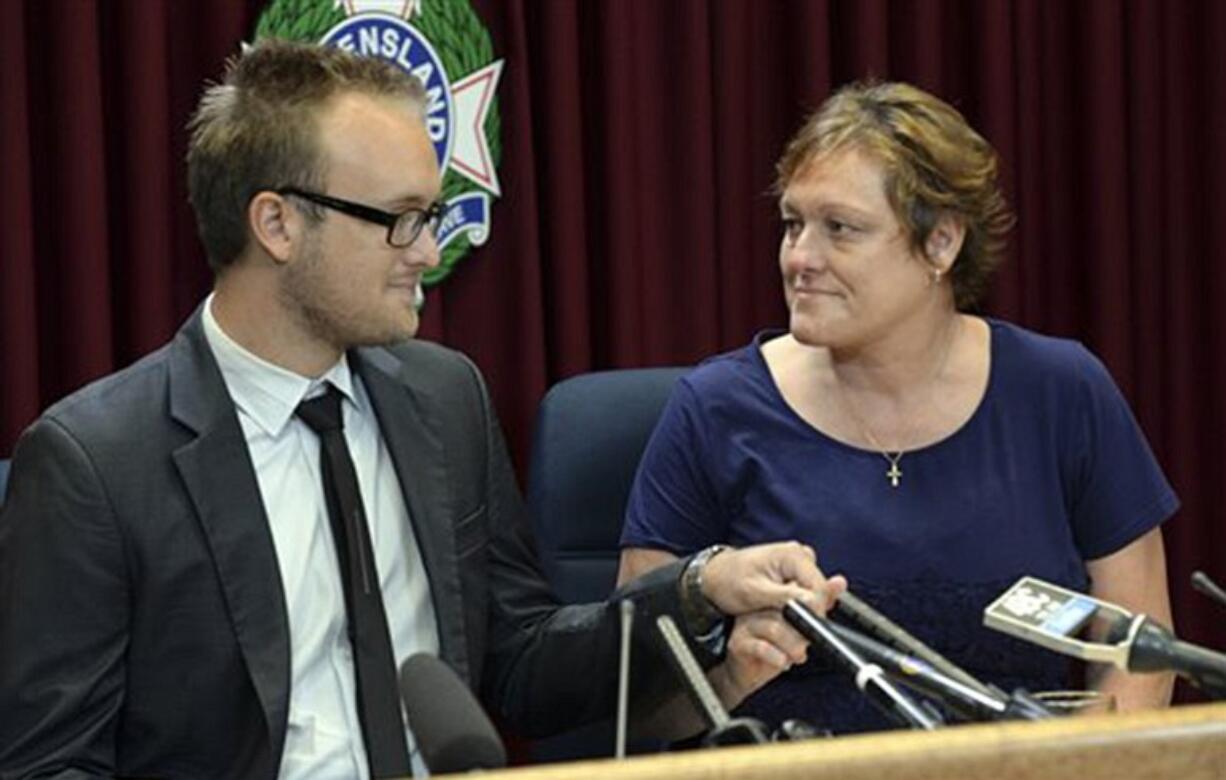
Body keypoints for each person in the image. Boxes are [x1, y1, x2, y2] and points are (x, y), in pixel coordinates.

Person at [0, 40, 844, 779]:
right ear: (277, 224)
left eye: (430, 215)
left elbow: (519, 665)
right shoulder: (96, 463)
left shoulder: (444, 399)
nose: (430, 253)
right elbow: (46, 764)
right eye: (402, 221)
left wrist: (697, 588)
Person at [619, 81, 1177, 734]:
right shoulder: (713, 412)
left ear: (941, 243)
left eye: (840, 229)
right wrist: (732, 677)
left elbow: (1143, 655)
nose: (799, 257)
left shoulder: (1063, 392)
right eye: (793, 224)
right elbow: (637, 706)